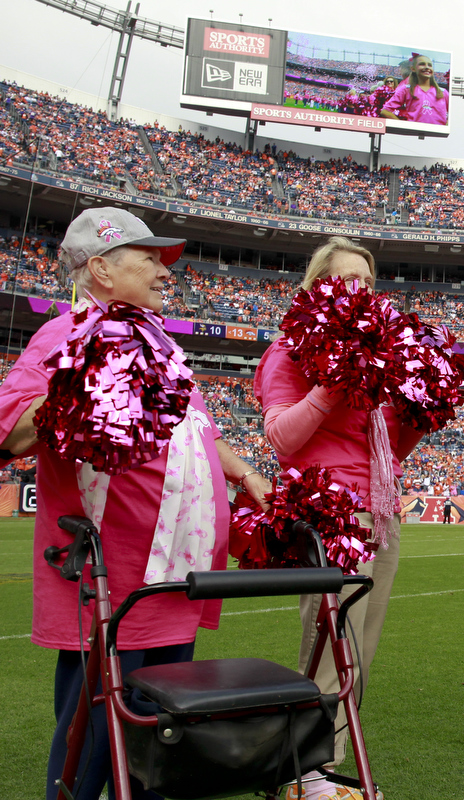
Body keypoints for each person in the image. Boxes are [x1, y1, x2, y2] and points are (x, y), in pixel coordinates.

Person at [0, 207, 271, 800]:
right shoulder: (68, 332)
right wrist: (78, 379)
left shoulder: (161, 343)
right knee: (92, 741)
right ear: (100, 268)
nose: (163, 271)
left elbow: (198, 430)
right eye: (148, 259)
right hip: (114, 582)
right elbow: (11, 432)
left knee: (160, 741)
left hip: (176, 575)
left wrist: (246, 471)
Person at [254, 236, 423, 800]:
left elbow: (390, 450)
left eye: (369, 283)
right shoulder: (290, 350)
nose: (361, 291)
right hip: (326, 512)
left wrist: (421, 415)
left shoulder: (378, 357)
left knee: (360, 648)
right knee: (330, 640)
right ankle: (305, 768)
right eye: (346, 280)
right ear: (316, 286)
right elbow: (281, 437)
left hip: (378, 509)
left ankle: (320, 761)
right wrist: (332, 382)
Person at [381, 55, 449, 125]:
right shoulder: (406, 89)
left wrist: (446, 127)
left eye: (430, 65)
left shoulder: (443, 92)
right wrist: (405, 126)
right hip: (414, 134)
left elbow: (454, 114)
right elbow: (385, 111)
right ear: (413, 69)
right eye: (422, 64)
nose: (427, 67)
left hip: (436, 135)